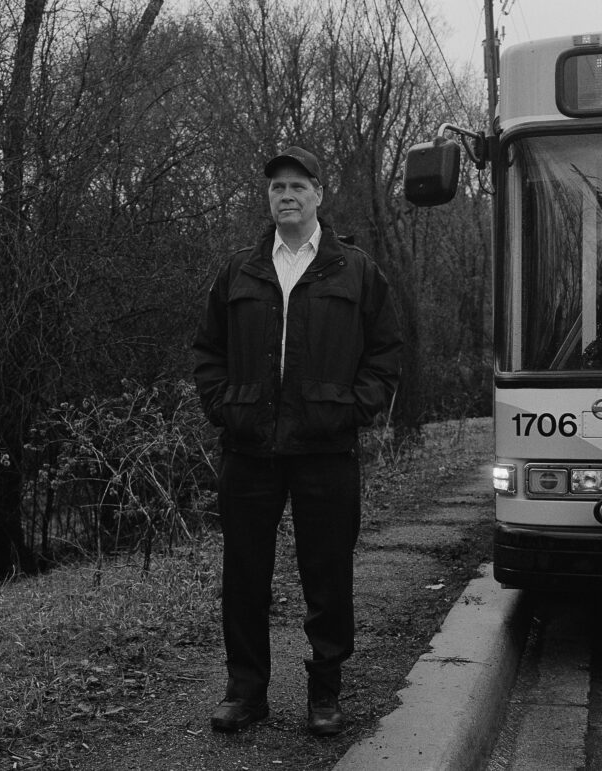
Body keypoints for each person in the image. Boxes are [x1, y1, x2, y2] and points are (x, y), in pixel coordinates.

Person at [193, 146, 402, 736]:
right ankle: (246, 692)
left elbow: (385, 352)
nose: (286, 195)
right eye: (276, 187)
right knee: (244, 575)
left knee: (328, 574)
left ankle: (325, 692)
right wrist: (222, 407)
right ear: (269, 199)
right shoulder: (240, 270)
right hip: (249, 449)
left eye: (297, 186)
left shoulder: (355, 269)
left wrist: (353, 410)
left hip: (326, 450)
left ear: (318, 194)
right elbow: (207, 351)